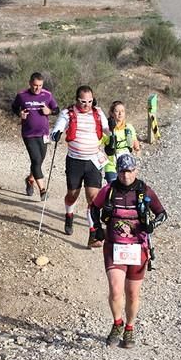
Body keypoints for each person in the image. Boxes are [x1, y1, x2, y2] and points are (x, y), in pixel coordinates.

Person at [90, 153, 167, 348]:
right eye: (122, 171)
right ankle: (117, 323)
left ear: (136, 171)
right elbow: (92, 209)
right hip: (113, 247)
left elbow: (162, 214)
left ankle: (130, 328)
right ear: (117, 171)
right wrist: (96, 228)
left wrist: (152, 226)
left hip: (138, 248)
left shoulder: (145, 191)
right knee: (116, 291)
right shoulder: (108, 190)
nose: (126, 175)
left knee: (133, 294)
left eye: (130, 171)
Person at [50, 85, 110, 247]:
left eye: (90, 101)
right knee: (72, 195)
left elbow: (106, 128)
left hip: (93, 161)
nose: (87, 105)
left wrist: (113, 133)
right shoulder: (67, 113)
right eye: (83, 102)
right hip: (75, 161)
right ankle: (69, 215)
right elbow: (57, 128)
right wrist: (56, 134)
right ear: (77, 100)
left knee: (94, 198)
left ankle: (93, 233)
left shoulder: (98, 112)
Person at [11, 72, 60, 200]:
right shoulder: (22, 95)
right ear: (30, 83)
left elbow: (57, 109)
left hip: (44, 134)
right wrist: (20, 113)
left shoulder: (47, 95)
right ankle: (43, 190)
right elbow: (14, 107)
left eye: (39, 85)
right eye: (34, 85)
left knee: (40, 160)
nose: (37, 88)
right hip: (29, 134)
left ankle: (30, 179)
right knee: (36, 160)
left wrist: (49, 111)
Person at [102, 101, 141, 184]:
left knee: (127, 191)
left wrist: (137, 148)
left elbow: (134, 140)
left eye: (122, 111)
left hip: (127, 167)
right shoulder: (106, 130)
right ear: (111, 113)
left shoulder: (129, 127)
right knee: (114, 190)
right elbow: (97, 144)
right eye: (117, 111)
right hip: (112, 166)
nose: (120, 114)